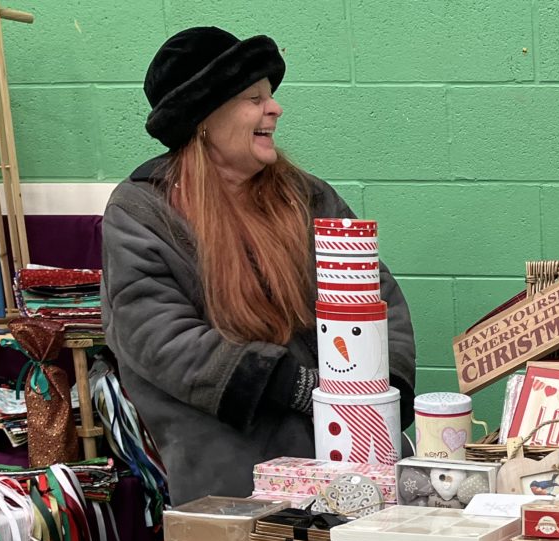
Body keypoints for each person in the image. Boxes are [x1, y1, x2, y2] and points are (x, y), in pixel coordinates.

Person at [102, 27, 416, 504]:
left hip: (353, 465)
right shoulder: (143, 211)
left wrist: (381, 391)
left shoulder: (306, 196)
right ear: (205, 119)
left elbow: (376, 294)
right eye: (255, 98)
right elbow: (157, 334)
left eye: (269, 96)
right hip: (232, 481)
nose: (275, 108)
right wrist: (282, 382)